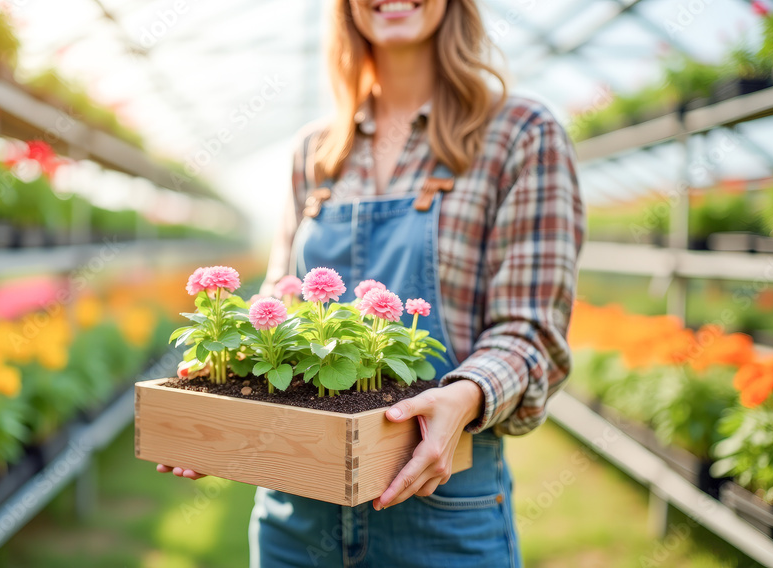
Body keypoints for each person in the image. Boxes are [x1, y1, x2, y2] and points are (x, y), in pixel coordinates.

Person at [158, 0, 585, 565]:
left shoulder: (520, 135)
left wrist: (463, 396)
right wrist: (226, 389)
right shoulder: (314, 151)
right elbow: (279, 296)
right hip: (295, 512)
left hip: (441, 508)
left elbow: (531, 333)